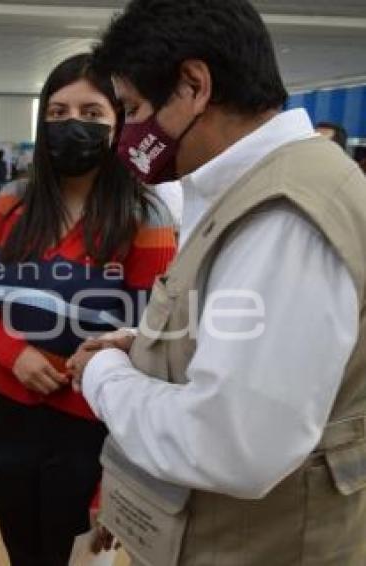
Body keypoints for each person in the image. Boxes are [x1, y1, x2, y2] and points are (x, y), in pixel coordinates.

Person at [68, 1, 366, 564]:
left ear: (193, 86)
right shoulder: (247, 191)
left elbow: (233, 444)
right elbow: (238, 338)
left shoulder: (285, 217)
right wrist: (147, 347)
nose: (127, 133)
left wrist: (103, 375)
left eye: (132, 108)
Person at [0, 53, 177, 566]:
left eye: (91, 111)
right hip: (14, 414)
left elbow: (150, 342)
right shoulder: (12, 205)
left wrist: (123, 476)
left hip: (96, 423)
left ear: (120, 121)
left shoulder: (142, 215)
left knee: (77, 556)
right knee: (23, 549)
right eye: (57, 113)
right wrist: (14, 354)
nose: (71, 124)